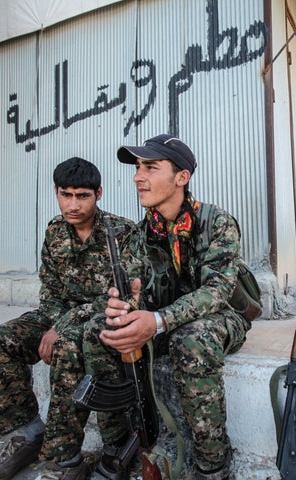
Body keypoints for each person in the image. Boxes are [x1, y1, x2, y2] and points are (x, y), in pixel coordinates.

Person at [82, 134, 251, 480]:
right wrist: (123, 308)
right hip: (165, 318)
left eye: (150, 167)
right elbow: (135, 288)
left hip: (219, 318)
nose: (137, 177)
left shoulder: (217, 223)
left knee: (189, 340)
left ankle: (213, 465)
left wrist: (158, 321)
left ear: (182, 177)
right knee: (99, 331)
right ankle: (118, 449)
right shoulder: (143, 232)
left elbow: (217, 292)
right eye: (137, 168)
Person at [0, 157, 134, 480]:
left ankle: (66, 461)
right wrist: (52, 324)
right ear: (56, 192)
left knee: (64, 346)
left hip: (97, 322)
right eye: (66, 194)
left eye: (82, 196)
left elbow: (117, 299)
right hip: (57, 317)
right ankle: (29, 433)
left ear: (99, 193)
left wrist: (60, 328)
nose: (72, 204)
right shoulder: (54, 232)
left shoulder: (121, 234)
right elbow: (50, 292)